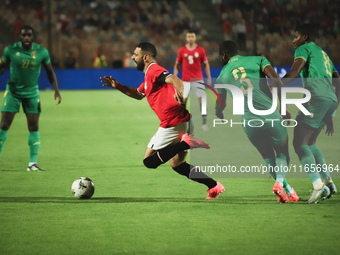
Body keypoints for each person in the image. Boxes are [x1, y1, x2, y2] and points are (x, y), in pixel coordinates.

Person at [100, 42, 225, 199]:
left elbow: (174, 79)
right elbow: (138, 94)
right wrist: (117, 86)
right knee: (178, 165)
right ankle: (214, 186)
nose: (132, 57)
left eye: (135, 54)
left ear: (145, 57)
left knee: (149, 162)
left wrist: (181, 93)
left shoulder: (154, 70)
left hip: (172, 123)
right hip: (184, 121)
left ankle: (187, 143)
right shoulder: (148, 77)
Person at [215, 40, 299, 203]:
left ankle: (287, 189)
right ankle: (280, 183)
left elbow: (221, 103)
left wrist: (218, 113)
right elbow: (276, 80)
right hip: (270, 116)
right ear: (237, 51)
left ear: (224, 55)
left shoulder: (222, 75)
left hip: (249, 122)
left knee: (267, 156)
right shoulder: (258, 59)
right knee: (282, 153)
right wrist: (284, 108)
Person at [282, 24, 340, 204]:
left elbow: (293, 72)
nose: (293, 41)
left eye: (296, 36)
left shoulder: (303, 48)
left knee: (299, 143)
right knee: (311, 142)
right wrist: (332, 111)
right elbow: (337, 80)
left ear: (305, 37)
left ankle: (318, 186)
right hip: (329, 99)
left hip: (316, 97)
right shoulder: (324, 54)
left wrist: (274, 84)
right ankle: (329, 183)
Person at [0, 25, 61, 171]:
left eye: (29, 35)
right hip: (13, 92)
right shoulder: (10, 50)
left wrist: (56, 90)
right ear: (19, 37)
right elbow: (2, 66)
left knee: (33, 127)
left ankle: (32, 164)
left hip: (32, 93)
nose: (26, 38)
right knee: (4, 125)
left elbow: (50, 71)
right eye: (23, 35)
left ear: (33, 37)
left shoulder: (41, 52)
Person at [174, 31, 212, 131]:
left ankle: (204, 123)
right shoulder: (182, 50)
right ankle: (182, 123)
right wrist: (175, 76)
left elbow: (206, 64)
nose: (190, 38)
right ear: (186, 38)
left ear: (195, 38)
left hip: (198, 79)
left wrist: (208, 77)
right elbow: (177, 64)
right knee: (183, 100)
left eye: (192, 36)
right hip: (185, 80)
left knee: (202, 100)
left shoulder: (200, 50)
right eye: (189, 36)